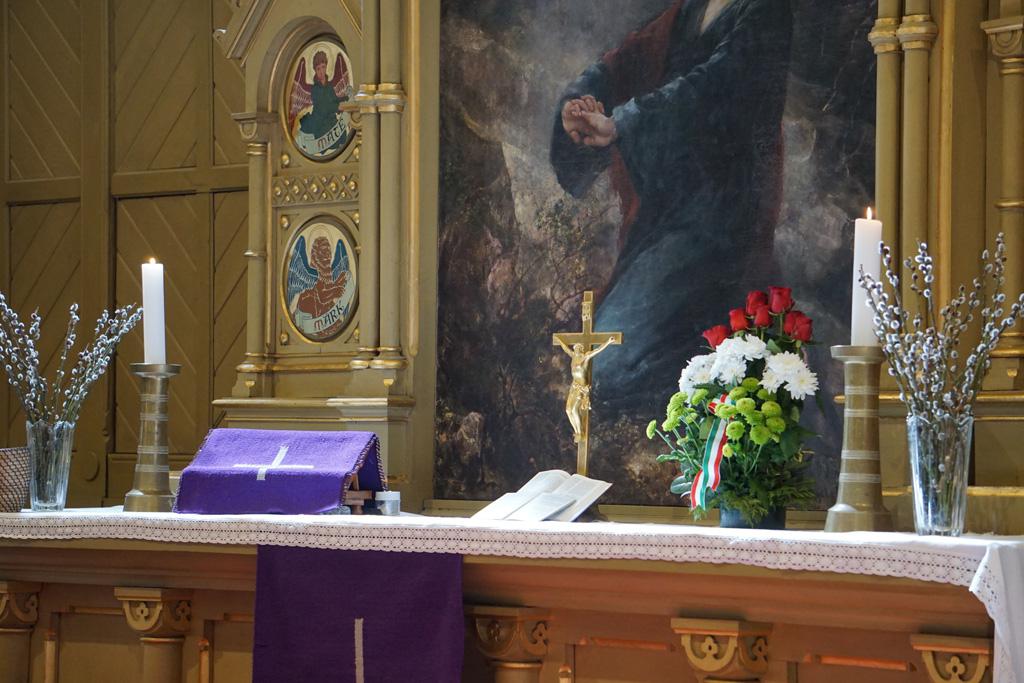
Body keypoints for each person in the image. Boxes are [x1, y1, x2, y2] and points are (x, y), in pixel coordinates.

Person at [550, 0, 792, 408]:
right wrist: (580, 102)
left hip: (719, 228)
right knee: (598, 367)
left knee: (606, 369)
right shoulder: (693, 9)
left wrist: (621, 123)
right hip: (665, 219)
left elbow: (711, 90)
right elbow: (626, 60)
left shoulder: (765, 12)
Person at [299, 50, 346, 142]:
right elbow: (323, 107)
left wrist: (345, 99)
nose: (321, 71)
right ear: (315, 71)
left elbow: (334, 100)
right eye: (318, 69)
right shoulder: (315, 89)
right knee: (328, 134)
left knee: (343, 135)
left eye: (323, 67)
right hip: (319, 122)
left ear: (326, 67)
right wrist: (337, 107)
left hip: (330, 119)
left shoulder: (329, 86)